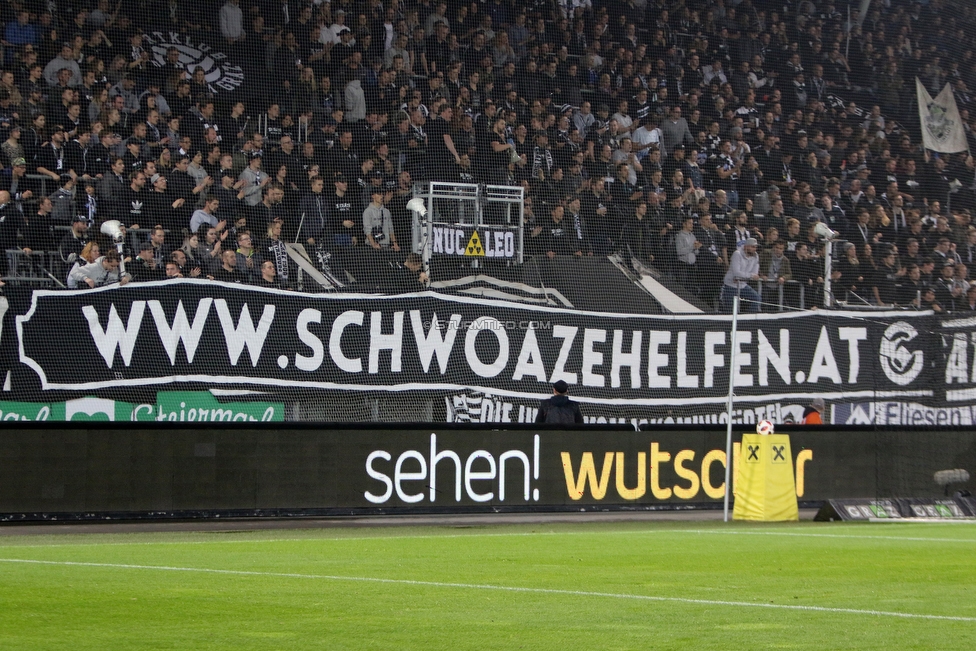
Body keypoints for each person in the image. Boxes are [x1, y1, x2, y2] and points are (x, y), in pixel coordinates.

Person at [720, 237, 762, 313]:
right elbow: (736, 273)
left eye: (755, 247)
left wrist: (743, 277)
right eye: (752, 247)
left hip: (743, 285)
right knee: (730, 311)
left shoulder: (756, 256)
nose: (754, 249)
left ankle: (749, 320)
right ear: (746, 246)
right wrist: (749, 276)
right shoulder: (737, 254)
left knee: (756, 298)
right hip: (731, 285)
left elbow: (755, 274)